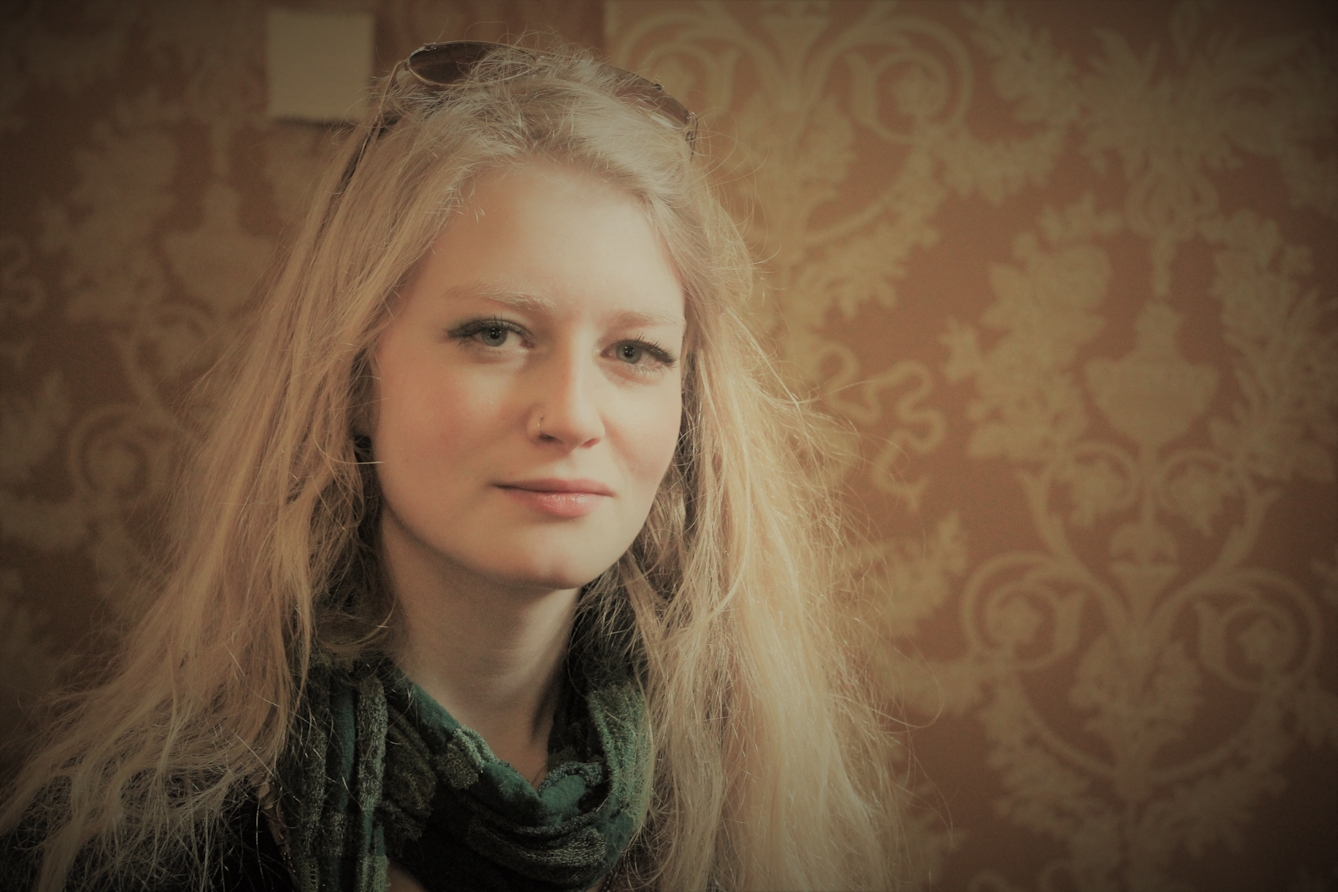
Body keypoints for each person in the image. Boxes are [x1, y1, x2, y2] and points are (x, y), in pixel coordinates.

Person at [0, 40, 905, 891]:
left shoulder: (753, 809)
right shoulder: (138, 842)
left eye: (635, 352)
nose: (573, 417)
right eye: (495, 333)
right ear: (356, 380)